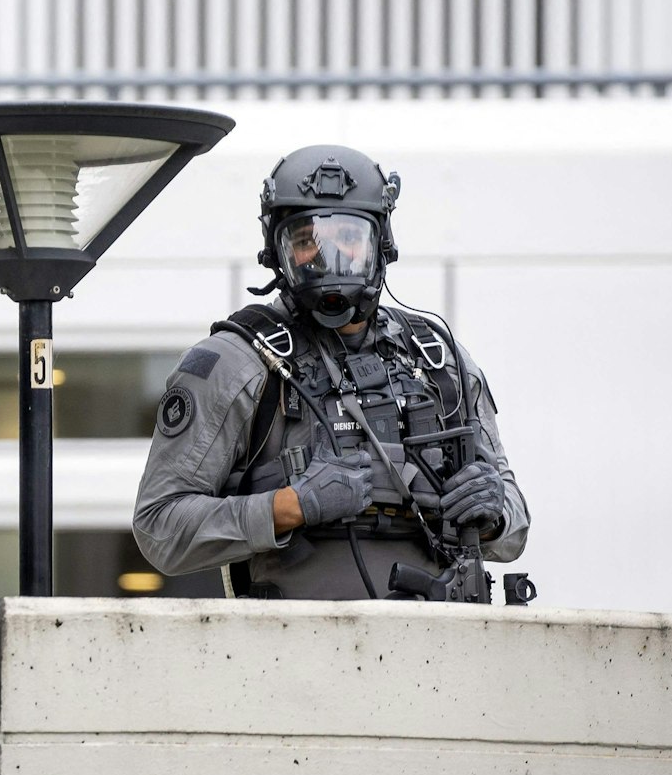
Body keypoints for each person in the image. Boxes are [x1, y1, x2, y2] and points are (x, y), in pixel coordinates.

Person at [132, 145, 529, 601]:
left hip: (435, 651)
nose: (328, 258)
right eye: (306, 241)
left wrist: (495, 511)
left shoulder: (439, 360)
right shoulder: (235, 362)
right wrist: (289, 508)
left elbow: (515, 527)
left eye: (349, 238)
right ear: (276, 251)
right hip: (291, 654)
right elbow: (159, 527)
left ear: (381, 244)